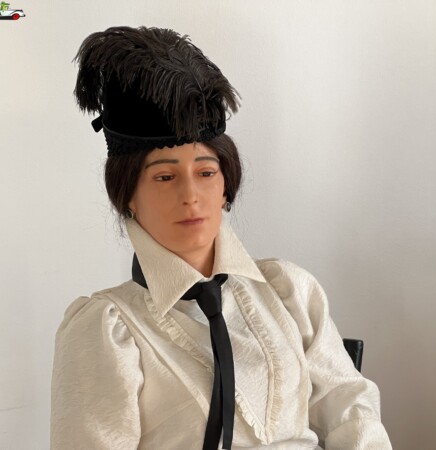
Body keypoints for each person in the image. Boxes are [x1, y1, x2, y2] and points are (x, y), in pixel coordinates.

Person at [51, 25, 392, 450]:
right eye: (164, 177)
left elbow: (350, 411)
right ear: (128, 197)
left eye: (206, 172)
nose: (190, 195)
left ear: (226, 185)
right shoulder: (109, 329)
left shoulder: (288, 292)